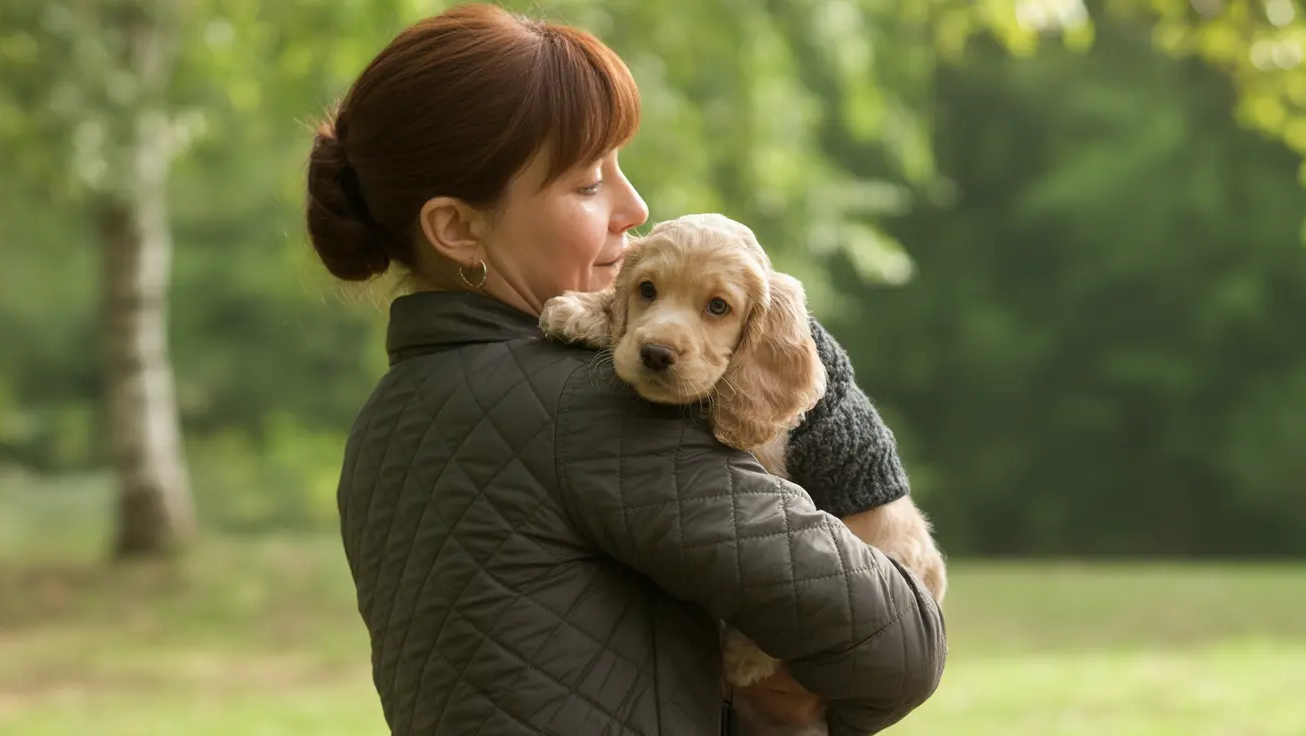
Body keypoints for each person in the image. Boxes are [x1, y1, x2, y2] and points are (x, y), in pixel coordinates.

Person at [305, 4, 946, 734]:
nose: (633, 206)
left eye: (620, 170)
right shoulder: (594, 406)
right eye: (587, 184)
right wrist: (833, 409)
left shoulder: (385, 421)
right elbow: (901, 645)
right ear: (458, 228)